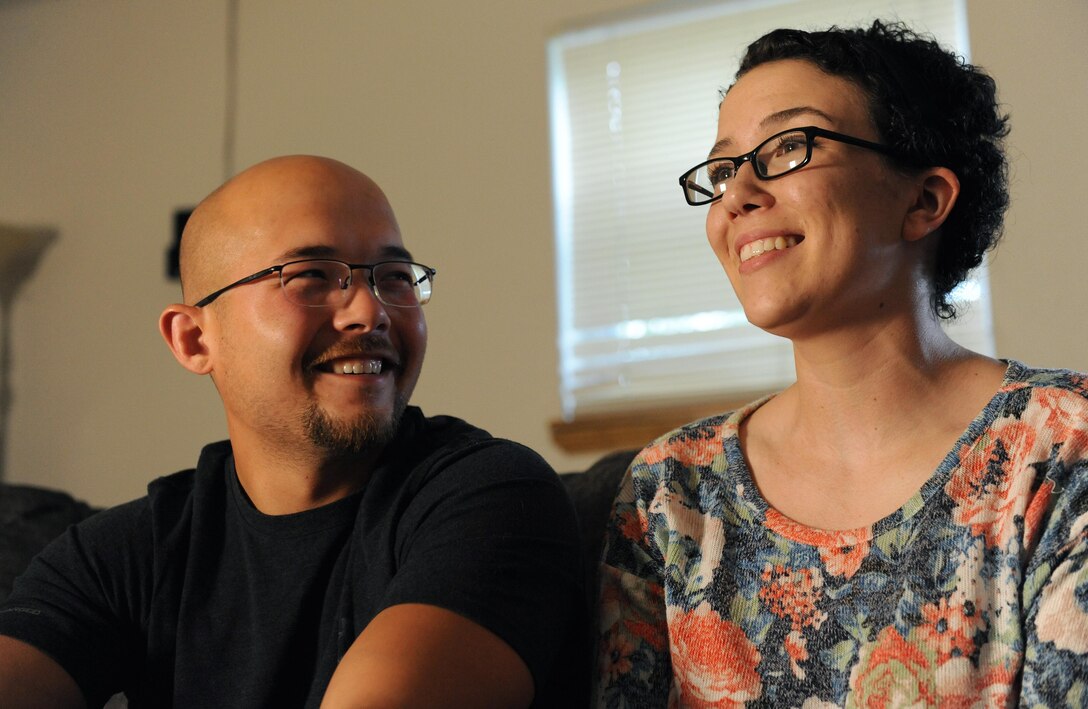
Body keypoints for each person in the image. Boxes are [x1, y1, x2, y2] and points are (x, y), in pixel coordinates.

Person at [596, 20, 1088, 707]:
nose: (736, 196)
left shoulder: (1063, 449)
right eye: (721, 169)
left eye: (789, 146)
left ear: (923, 200)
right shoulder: (671, 493)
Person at [0, 155, 587, 708]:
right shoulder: (126, 554)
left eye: (395, 276)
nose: (371, 310)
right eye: (309, 275)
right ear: (195, 340)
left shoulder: (494, 498)